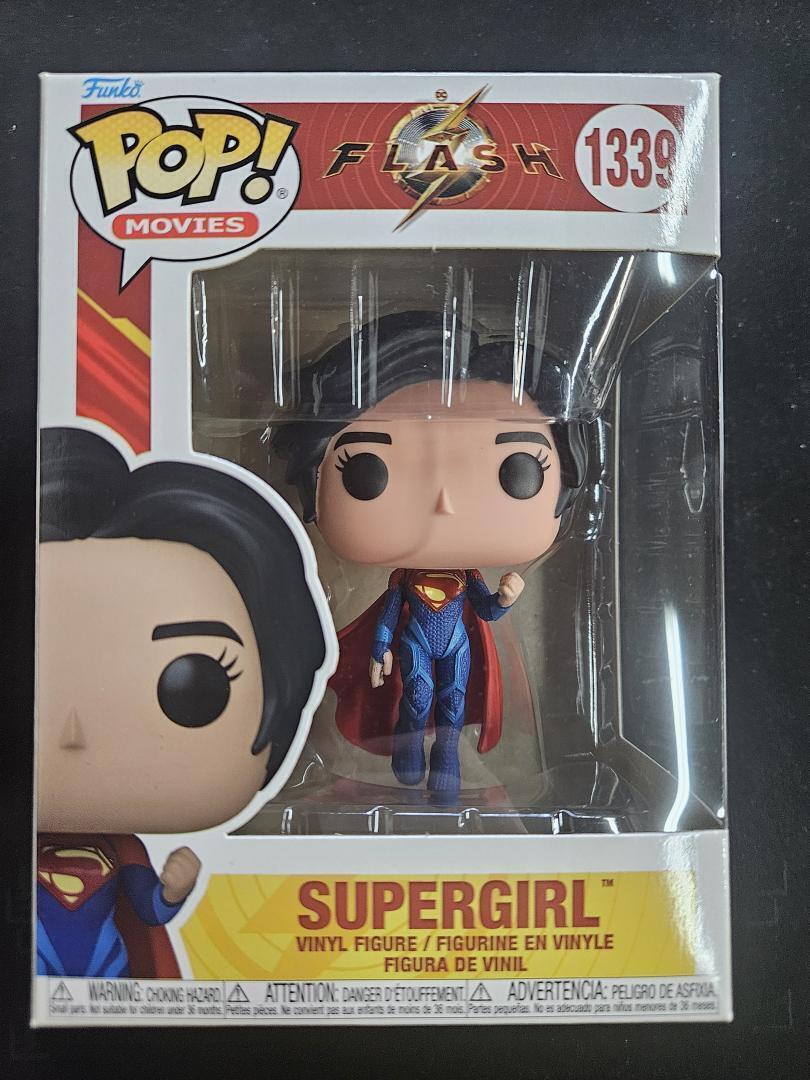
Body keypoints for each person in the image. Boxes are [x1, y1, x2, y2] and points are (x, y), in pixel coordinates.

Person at [36, 426, 327, 976]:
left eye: (192, 688)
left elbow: (149, 908)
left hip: (108, 969)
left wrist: (175, 889)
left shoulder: (123, 852)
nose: (73, 731)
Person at [273, 311, 587, 799]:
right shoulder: (402, 581)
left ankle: (447, 760)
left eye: (517, 469)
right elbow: (388, 617)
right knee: (417, 696)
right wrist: (379, 651)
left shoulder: (468, 576)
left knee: (453, 703)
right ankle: (407, 750)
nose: (445, 502)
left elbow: (484, 611)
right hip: (415, 641)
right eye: (367, 469)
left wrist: (504, 599)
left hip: (456, 643)